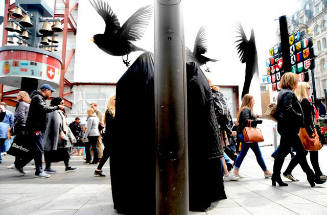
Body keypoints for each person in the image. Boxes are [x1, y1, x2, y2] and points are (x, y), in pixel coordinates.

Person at [272, 72, 317, 187]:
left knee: (282, 153)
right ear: (291, 81)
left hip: (285, 128)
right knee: (301, 152)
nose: (297, 82)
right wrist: (299, 116)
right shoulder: (288, 93)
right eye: (295, 80)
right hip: (290, 128)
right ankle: (311, 176)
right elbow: (288, 109)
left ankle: (275, 176)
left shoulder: (282, 92)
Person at [15, 84, 64, 178]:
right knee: (39, 149)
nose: (51, 93)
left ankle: (20, 164)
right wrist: (57, 107)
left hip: (36, 128)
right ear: (45, 90)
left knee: (34, 149)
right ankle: (39, 170)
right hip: (35, 128)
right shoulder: (38, 98)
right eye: (50, 91)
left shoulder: (39, 98)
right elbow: (44, 109)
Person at [282, 82, 326, 183]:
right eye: (307, 88)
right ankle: (318, 175)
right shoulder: (305, 101)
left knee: (302, 153)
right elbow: (307, 119)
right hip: (308, 130)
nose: (309, 90)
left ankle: (288, 171)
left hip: (302, 130)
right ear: (303, 89)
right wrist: (312, 131)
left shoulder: (299, 101)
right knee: (312, 151)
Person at [232, 94, 272, 178]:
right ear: (249, 101)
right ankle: (266, 171)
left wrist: (255, 118)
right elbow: (245, 121)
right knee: (256, 153)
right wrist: (256, 121)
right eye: (253, 100)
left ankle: (235, 171)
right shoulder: (246, 109)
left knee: (244, 153)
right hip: (247, 135)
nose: (254, 102)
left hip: (245, 135)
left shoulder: (246, 109)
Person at [43, 97, 77, 173]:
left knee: (64, 150)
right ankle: (47, 167)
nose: (63, 104)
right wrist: (60, 131)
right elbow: (56, 123)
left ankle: (67, 166)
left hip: (60, 136)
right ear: (57, 103)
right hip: (54, 136)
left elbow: (62, 123)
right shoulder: (53, 111)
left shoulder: (59, 111)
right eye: (62, 103)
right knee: (50, 150)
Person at [9, 91, 30, 173]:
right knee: (20, 145)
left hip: (21, 128)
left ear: (22, 96)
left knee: (18, 145)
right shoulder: (27, 104)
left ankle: (18, 164)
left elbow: (20, 116)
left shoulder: (21, 103)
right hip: (25, 128)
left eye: (18, 95)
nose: (17, 96)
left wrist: (21, 124)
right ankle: (17, 164)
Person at [94, 95, 115, 177]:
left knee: (107, 153)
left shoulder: (113, 111)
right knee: (107, 153)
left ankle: (98, 169)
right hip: (110, 137)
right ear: (111, 101)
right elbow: (111, 124)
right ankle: (98, 169)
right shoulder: (109, 111)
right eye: (115, 99)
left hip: (111, 136)